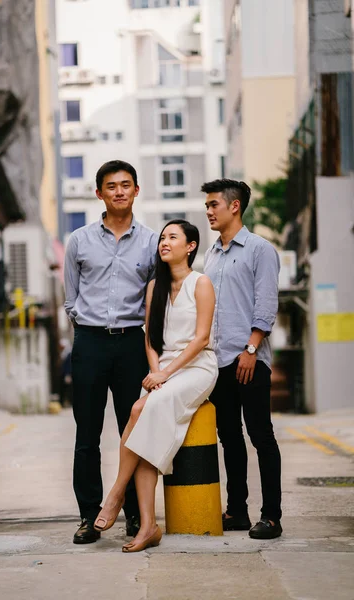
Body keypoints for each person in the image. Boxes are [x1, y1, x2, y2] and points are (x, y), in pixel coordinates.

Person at [92, 220, 218, 552]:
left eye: (172, 237)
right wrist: (155, 370)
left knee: (139, 409)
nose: (164, 242)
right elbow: (150, 337)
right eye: (162, 237)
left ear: (190, 246)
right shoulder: (154, 288)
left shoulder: (200, 283)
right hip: (162, 369)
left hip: (196, 366)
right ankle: (148, 526)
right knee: (146, 425)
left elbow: (202, 338)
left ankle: (116, 493)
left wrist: (164, 375)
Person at [64, 160, 158, 544]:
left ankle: (135, 517)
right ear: (98, 193)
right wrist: (88, 329)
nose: (119, 191)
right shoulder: (79, 241)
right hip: (89, 342)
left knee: (132, 432)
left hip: (132, 343)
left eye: (125, 185)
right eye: (111, 186)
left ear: (137, 190)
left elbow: (156, 300)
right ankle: (89, 516)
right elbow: (70, 297)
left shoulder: (152, 242)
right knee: (86, 434)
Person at [202, 178, 282, 540]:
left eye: (213, 204)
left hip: (248, 358)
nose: (208, 211)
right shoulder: (211, 254)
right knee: (229, 438)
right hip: (217, 362)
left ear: (234, 206)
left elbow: (266, 304)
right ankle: (237, 511)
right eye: (207, 205)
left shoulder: (259, 249)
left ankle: (272, 516)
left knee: (260, 435)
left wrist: (250, 349)